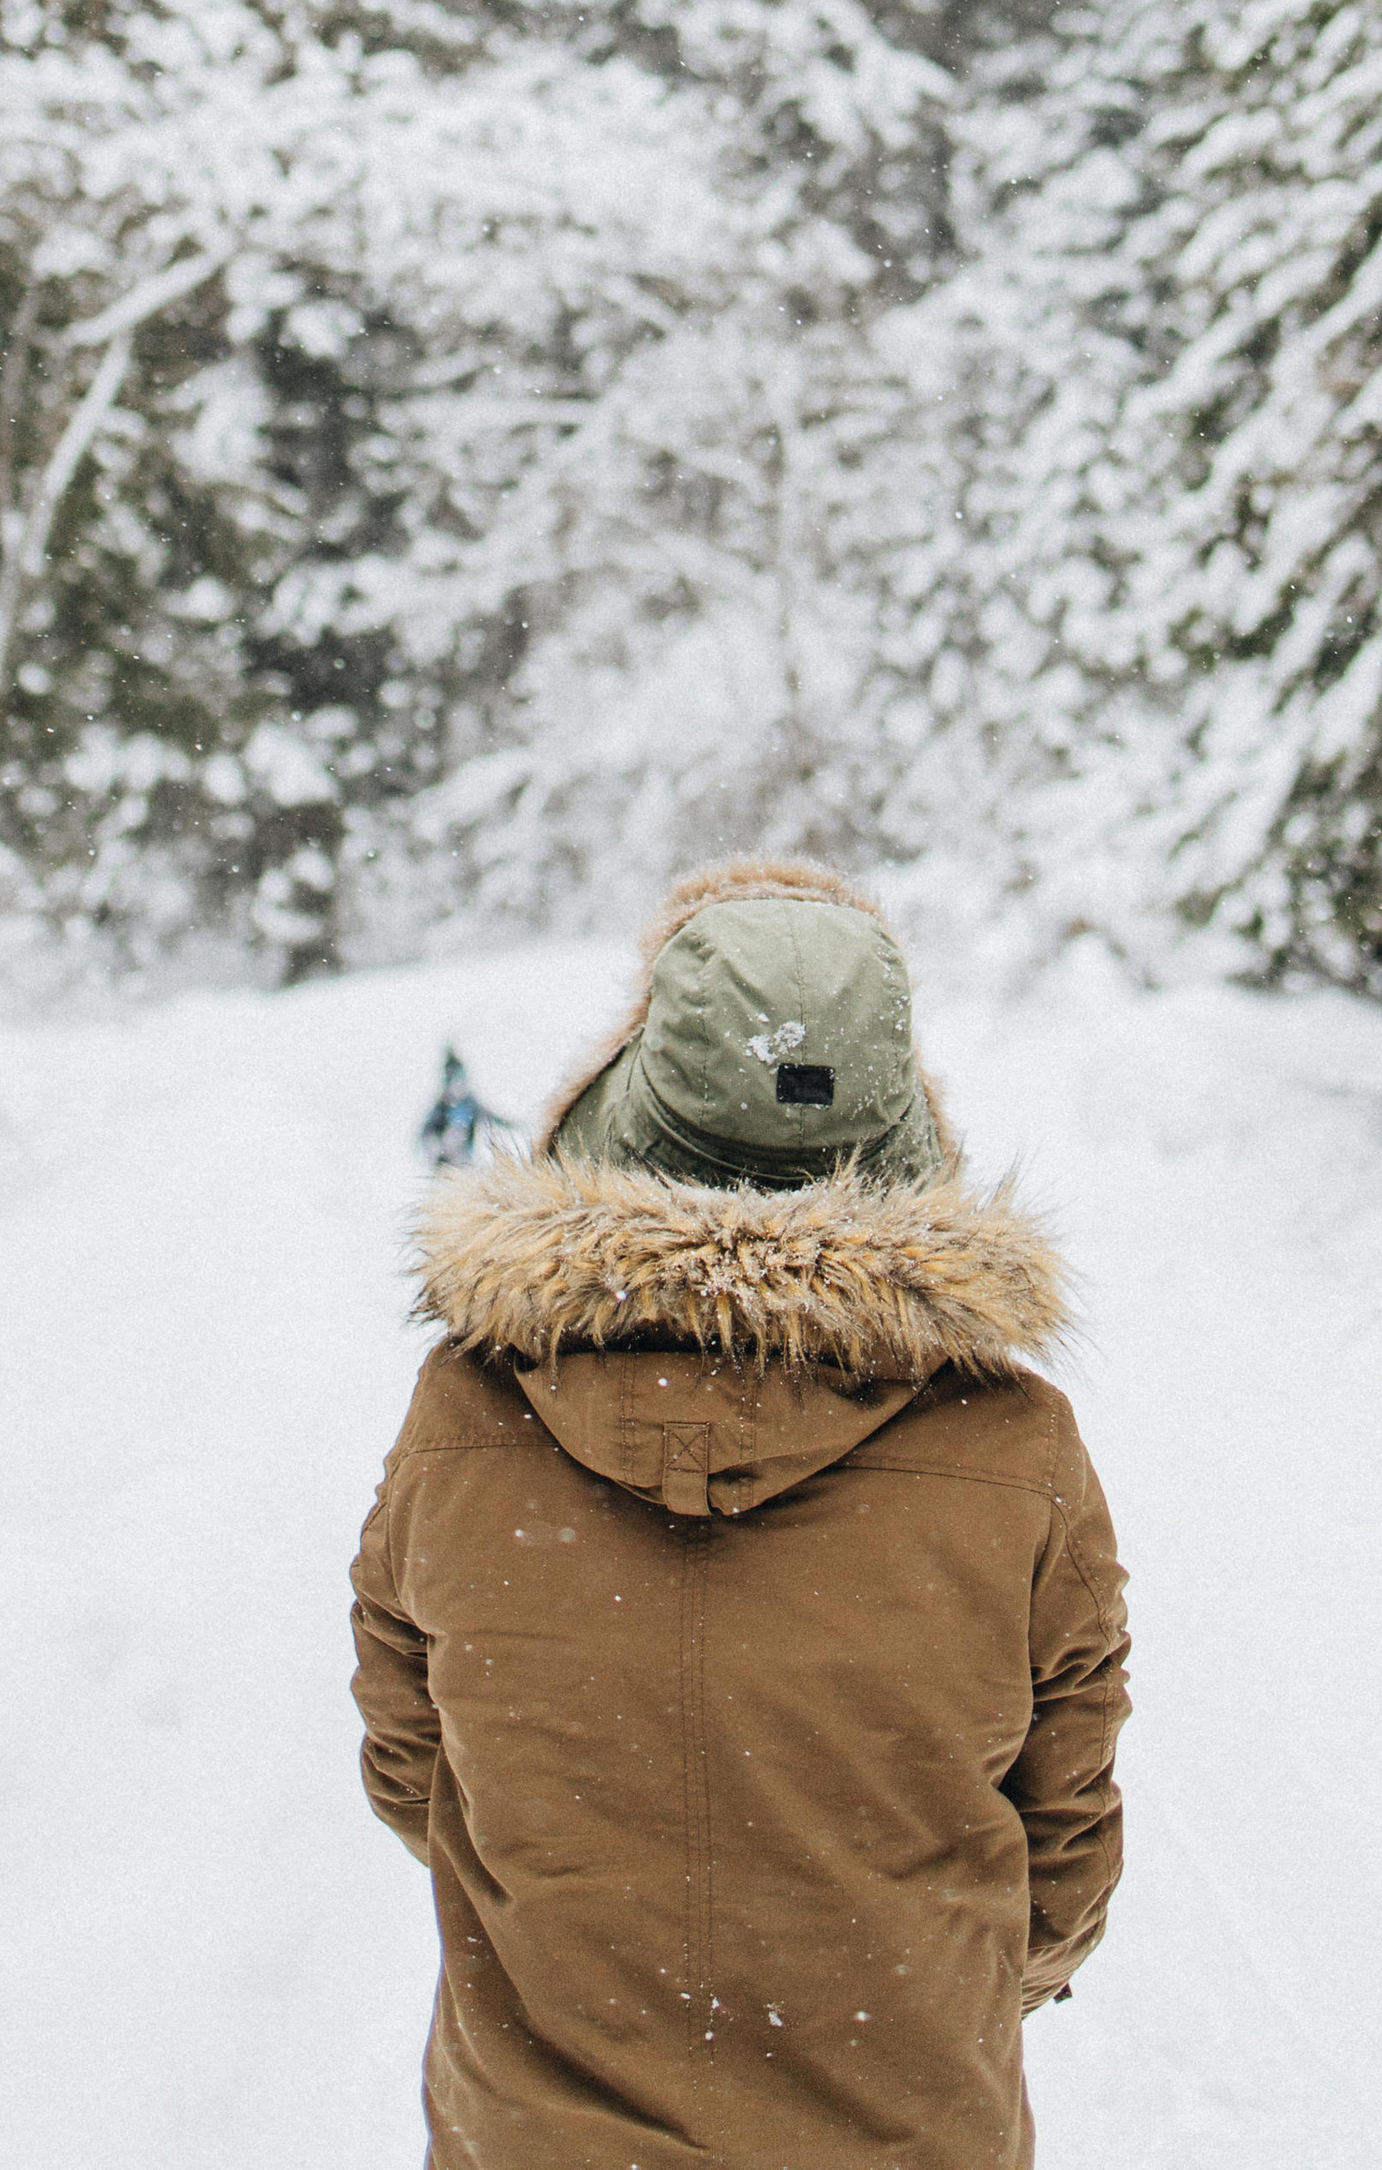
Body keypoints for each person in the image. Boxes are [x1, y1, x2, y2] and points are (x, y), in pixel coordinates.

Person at [351, 855, 1129, 2170]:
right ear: (897, 1135)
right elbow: (1064, 1845)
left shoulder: (469, 1415)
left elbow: (413, 1770)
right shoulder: (1015, 1447)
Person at [418, 1045, 496, 1171]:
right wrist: (437, 1151)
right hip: (447, 1159)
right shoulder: (442, 1105)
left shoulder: (468, 1103)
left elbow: (493, 1117)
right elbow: (426, 1133)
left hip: (461, 1161)